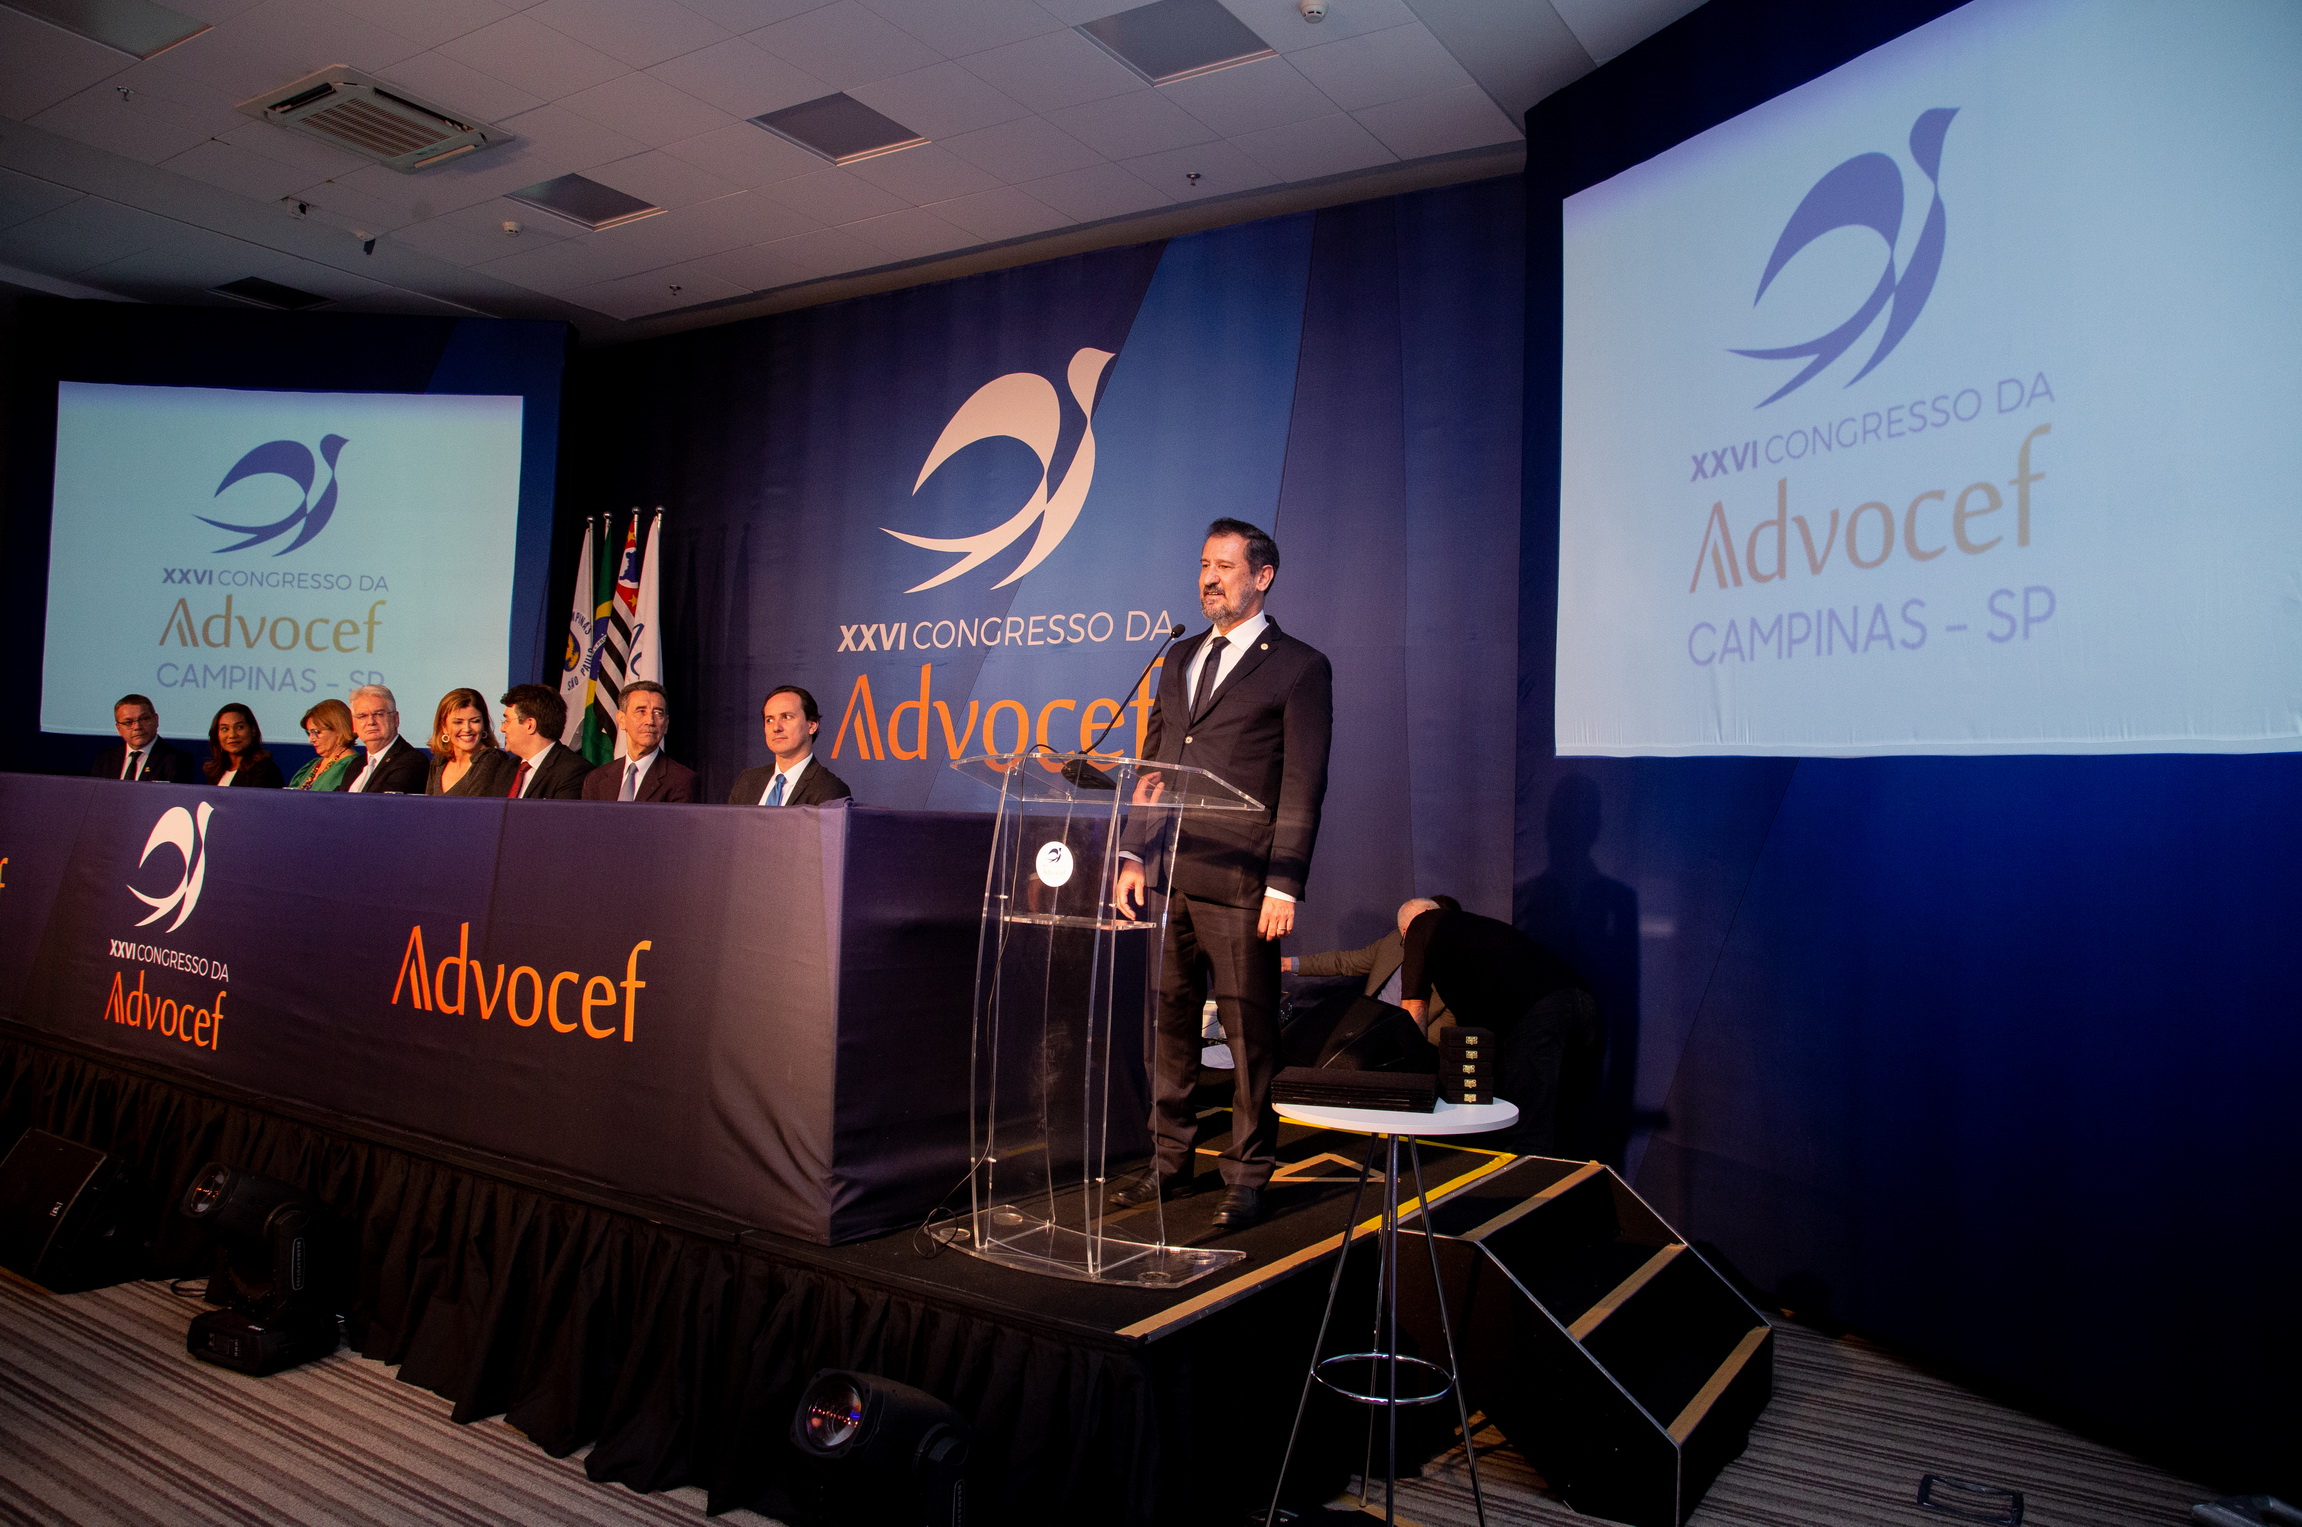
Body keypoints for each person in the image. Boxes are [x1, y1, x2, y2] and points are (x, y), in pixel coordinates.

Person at [1112, 518, 1332, 1230]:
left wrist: (1284, 881)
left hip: (1241, 882)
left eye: (1225, 566)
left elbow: (1303, 783)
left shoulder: (1298, 666)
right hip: (1170, 872)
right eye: (1205, 564)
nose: (1209, 578)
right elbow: (1154, 763)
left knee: (1248, 1037)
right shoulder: (1177, 657)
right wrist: (1133, 853)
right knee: (1167, 1025)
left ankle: (1246, 1173)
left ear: (1262, 577)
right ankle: (1169, 1161)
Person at [1399, 897, 1600, 1156]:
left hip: (1538, 1011)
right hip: (1580, 1002)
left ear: (1405, 930)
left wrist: (1412, 1078)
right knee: (1560, 1112)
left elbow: (1414, 1006)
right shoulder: (1474, 930)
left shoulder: (1419, 926)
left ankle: (1526, 1180)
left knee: (1526, 1127)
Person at [1284, 897, 1456, 1033]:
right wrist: (1288, 963)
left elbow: (1445, 1031)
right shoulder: (1393, 942)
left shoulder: (1454, 969)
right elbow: (1345, 961)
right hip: (1367, 1026)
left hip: (1408, 1042)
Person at [728, 685, 850, 806]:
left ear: (812, 726)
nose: (776, 728)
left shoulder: (830, 789)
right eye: (769, 720)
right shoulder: (747, 781)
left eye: (787, 717)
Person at [580, 682, 698, 802]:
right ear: (622, 719)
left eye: (658, 713)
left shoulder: (681, 780)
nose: (650, 721)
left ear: (666, 724)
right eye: (641, 711)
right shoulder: (596, 779)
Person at [498, 684, 590, 800]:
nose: (502, 728)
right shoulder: (506, 769)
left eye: (507, 721)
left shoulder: (573, 771)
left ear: (530, 725)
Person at [424, 687, 518, 798]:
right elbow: (426, 805)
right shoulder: (439, 761)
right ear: (444, 727)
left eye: (475, 721)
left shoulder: (490, 759)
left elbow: (473, 808)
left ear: (484, 724)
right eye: (458, 722)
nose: (467, 729)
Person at [339, 685, 427, 794]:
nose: (371, 722)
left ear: (395, 719)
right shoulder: (356, 764)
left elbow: (381, 803)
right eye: (362, 716)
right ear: (354, 725)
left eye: (379, 714)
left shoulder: (411, 761)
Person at [90, 694, 196, 783]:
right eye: (128, 722)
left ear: (156, 720)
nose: (137, 727)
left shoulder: (177, 760)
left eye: (144, 719)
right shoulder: (105, 759)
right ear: (119, 728)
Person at [202, 703, 283, 788]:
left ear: (253, 730)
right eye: (225, 729)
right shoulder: (216, 772)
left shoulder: (265, 770)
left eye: (240, 727)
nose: (232, 735)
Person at [287, 700, 362, 791]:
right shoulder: (313, 765)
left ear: (338, 730)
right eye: (309, 733)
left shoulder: (354, 767)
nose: (311, 739)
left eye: (316, 732)